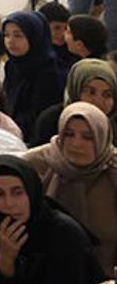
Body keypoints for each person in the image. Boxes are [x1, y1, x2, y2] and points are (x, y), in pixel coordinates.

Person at [0, 154, 106, 284]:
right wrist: (5, 262)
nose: (9, 203)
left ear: (31, 190)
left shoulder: (63, 232)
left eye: (18, 192)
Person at [20, 101, 117, 270]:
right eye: (69, 134)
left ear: (102, 137)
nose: (76, 143)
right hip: (43, 270)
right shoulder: (36, 163)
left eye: (88, 137)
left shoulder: (113, 170)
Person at [2, 10, 68, 137]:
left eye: (18, 35)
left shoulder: (51, 72)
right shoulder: (12, 65)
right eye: (6, 35)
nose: (10, 41)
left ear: (34, 37)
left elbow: (40, 118)